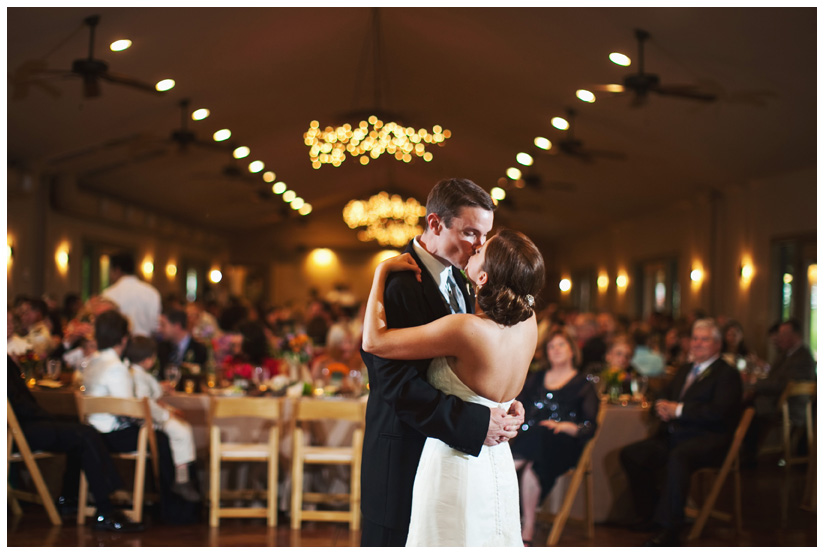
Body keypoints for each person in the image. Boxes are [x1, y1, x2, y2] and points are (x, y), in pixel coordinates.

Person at [359, 178, 525, 547]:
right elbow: (396, 385)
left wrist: (498, 401)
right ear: (435, 224)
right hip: (403, 454)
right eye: (470, 232)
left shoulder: (467, 279)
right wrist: (476, 421)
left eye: (485, 234)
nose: (480, 245)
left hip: (452, 461)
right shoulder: (399, 282)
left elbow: (467, 365)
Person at [620, 318, 743, 547]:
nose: (697, 344)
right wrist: (661, 407)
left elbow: (719, 413)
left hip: (709, 439)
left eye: (704, 339)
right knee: (632, 454)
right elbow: (663, 393)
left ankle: (670, 529)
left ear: (717, 344)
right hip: (675, 436)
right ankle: (651, 515)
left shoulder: (727, 374)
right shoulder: (685, 369)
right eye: (695, 339)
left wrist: (679, 410)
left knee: (678, 457)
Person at [7, 354, 145, 532]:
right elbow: (19, 405)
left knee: (79, 428)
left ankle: (69, 497)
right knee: (84, 434)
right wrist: (47, 418)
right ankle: (105, 510)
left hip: (18, 425)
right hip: (16, 430)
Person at [510, 328, 600, 545]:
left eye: (561, 345)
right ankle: (527, 527)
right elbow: (519, 406)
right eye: (551, 346)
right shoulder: (536, 378)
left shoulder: (583, 384)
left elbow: (589, 426)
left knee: (542, 435)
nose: (556, 350)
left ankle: (512, 465)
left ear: (572, 350)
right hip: (531, 439)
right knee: (533, 460)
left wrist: (566, 426)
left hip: (563, 443)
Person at [125, 335, 201, 502]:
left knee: (181, 427)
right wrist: (167, 414)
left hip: (146, 418)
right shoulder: (140, 377)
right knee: (181, 431)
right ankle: (182, 479)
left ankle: (183, 478)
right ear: (149, 360)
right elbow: (147, 403)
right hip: (149, 421)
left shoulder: (132, 374)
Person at [742, 318, 816, 463]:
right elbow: (773, 379)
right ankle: (743, 451)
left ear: (795, 336)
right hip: (777, 400)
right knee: (744, 401)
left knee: (748, 409)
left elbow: (782, 385)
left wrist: (755, 384)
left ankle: (747, 456)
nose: (779, 338)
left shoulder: (803, 357)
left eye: (783, 334)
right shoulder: (785, 354)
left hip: (790, 405)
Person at [101, 252, 162, 337]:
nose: (110, 275)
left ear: (117, 270)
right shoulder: (152, 292)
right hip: (146, 346)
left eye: (111, 271)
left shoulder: (108, 294)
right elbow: (156, 327)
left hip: (119, 345)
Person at [157, 308, 208, 382]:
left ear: (177, 326)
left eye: (163, 325)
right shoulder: (161, 348)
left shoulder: (200, 350)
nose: (160, 329)